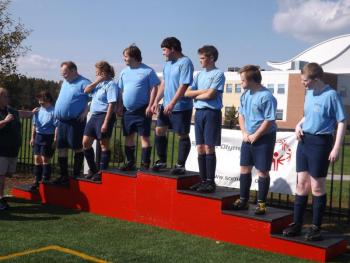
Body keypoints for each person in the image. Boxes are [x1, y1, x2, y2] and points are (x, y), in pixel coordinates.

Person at [283, 63, 346, 241]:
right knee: (301, 184)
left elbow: (341, 121)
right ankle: (297, 224)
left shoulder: (331, 95)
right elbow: (308, 115)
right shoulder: (309, 93)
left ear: (316, 79)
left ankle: (316, 227)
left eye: (305, 81)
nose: (303, 84)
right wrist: (298, 124)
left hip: (321, 142)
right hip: (304, 141)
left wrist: (336, 147)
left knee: (317, 186)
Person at [232, 65, 277, 215]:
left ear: (252, 80)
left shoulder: (267, 96)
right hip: (248, 138)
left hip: (264, 138)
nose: (241, 83)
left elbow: (269, 120)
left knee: (262, 171)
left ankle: (261, 204)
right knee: (244, 168)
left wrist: (256, 135)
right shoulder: (245, 95)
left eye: (243, 80)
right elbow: (241, 115)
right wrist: (244, 133)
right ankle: (243, 200)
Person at [184, 45, 225, 193]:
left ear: (211, 58)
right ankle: (202, 180)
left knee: (209, 147)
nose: (200, 61)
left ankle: (210, 181)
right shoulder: (199, 75)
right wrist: (202, 92)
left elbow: (211, 95)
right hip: (199, 113)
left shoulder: (218, 74)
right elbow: (187, 93)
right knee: (200, 147)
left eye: (202, 58)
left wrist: (197, 95)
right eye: (199, 58)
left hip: (211, 113)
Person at [151, 37, 194, 175]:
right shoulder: (168, 64)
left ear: (173, 49)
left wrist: (173, 103)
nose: (163, 53)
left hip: (181, 106)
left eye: (164, 50)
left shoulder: (185, 62)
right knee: (159, 130)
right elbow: (163, 83)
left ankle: (180, 165)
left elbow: (184, 85)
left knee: (182, 134)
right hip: (166, 105)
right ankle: (162, 161)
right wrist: (156, 101)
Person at [118, 45, 160, 171]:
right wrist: (119, 106)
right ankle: (130, 162)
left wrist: (150, 105)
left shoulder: (148, 71)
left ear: (134, 56)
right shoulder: (124, 72)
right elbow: (120, 90)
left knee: (144, 137)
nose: (124, 59)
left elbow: (154, 88)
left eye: (126, 56)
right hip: (127, 110)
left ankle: (145, 164)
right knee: (128, 136)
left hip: (143, 110)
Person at [54, 61, 91, 184]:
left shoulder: (84, 82)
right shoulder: (65, 82)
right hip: (62, 122)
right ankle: (63, 175)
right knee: (62, 148)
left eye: (65, 73)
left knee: (77, 147)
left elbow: (94, 97)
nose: (63, 75)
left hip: (75, 122)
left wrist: (85, 112)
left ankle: (75, 175)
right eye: (62, 73)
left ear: (73, 70)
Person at [83, 61, 118, 181]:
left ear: (104, 72)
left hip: (104, 116)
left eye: (98, 72)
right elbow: (86, 91)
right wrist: (97, 81)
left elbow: (112, 104)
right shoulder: (98, 84)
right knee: (86, 142)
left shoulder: (111, 85)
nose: (96, 74)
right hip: (94, 115)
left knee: (104, 144)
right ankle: (93, 169)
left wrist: (106, 122)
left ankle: (102, 172)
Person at [30, 91, 58, 190]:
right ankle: (36, 181)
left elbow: (56, 127)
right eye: (39, 99)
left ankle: (45, 180)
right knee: (37, 159)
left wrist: (55, 139)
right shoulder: (37, 111)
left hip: (48, 137)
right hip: (38, 137)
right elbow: (34, 125)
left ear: (48, 99)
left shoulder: (54, 111)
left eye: (42, 99)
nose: (40, 101)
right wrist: (32, 138)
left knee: (45, 159)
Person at [0, 87, 22, 210]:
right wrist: (5, 121)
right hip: (1, 150)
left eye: (8, 96)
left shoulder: (11, 110)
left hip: (12, 150)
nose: (7, 98)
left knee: (8, 174)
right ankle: (0, 198)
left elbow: (23, 113)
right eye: (5, 96)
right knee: (1, 175)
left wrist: (35, 112)